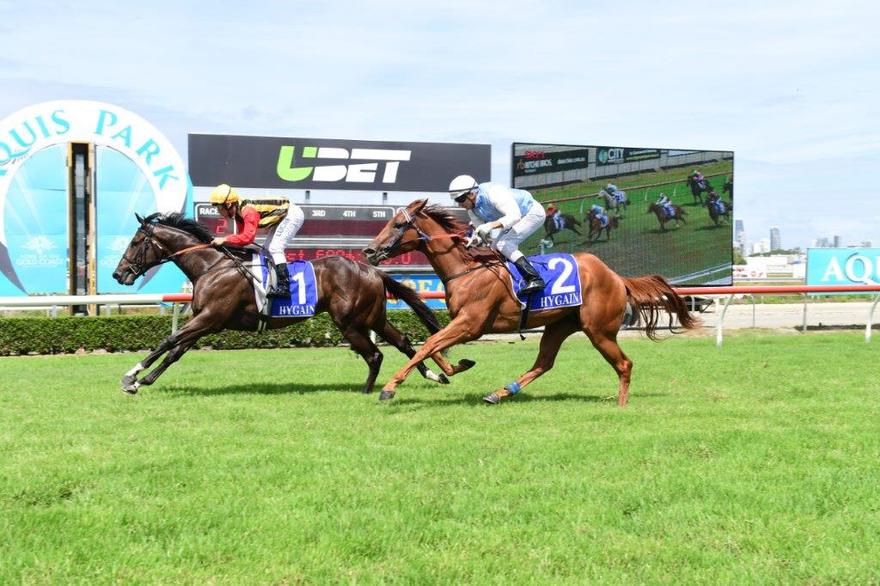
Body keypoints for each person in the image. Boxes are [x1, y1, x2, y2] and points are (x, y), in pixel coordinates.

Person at [449, 174, 546, 295]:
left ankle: (535, 279)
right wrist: (475, 240)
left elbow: (514, 216)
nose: (459, 204)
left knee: (504, 245)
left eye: (460, 199)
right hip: (515, 219)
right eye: (456, 200)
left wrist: (490, 226)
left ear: (471, 194)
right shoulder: (472, 210)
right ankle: (511, 281)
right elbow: (482, 233)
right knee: (494, 248)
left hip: (531, 213)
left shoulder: (493, 193)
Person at [208, 183, 305, 298]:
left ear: (229, 205)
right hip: (283, 216)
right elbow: (242, 240)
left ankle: (285, 287)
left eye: (219, 207)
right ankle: (271, 284)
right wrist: (224, 244)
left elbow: (248, 238)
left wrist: (224, 239)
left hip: (291, 214)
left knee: (275, 248)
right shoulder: (238, 214)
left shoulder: (248, 211)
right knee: (265, 251)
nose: (218, 211)